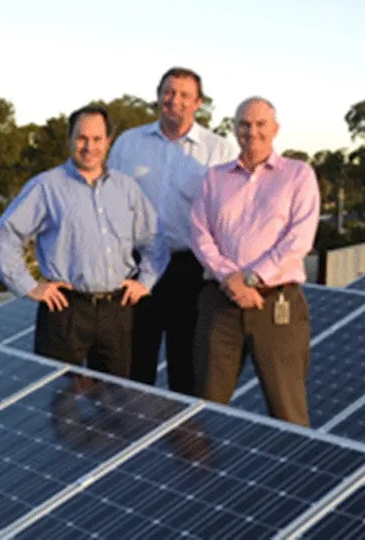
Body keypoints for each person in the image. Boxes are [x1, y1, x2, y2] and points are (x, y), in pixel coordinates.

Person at [0, 105, 169, 378]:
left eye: (97, 139)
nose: (89, 147)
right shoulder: (46, 187)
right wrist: (29, 287)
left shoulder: (126, 188)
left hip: (117, 312)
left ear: (108, 142)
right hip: (65, 311)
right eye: (82, 138)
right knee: (59, 404)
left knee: (118, 405)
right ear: (70, 140)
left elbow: (154, 239)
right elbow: (3, 237)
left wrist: (145, 281)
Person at [188, 96, 320, 426]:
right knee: (206, 407)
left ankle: (294, 476)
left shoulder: (298, 176)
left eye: (261, 124)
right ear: (234, 129)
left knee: (287, 410)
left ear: (275, 129)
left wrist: (251, 278)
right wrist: (229, 278)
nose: (253, 131)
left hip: (277, 305)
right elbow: (199, 233)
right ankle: (202, 477)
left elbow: (299, 239)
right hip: (220, 303)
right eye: (245, 124)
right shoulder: (214, 178)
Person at [106, 67, 238, 395]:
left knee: (186, 371)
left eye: (183, 95)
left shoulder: (218, 150)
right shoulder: (128, 143)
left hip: (190, 269)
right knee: (134, 366)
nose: (174, 100)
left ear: (198, 103)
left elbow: (229, 213)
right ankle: (133, 439)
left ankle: (179, 442)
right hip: (137, 266)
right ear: (158, 94)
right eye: (168, 92)